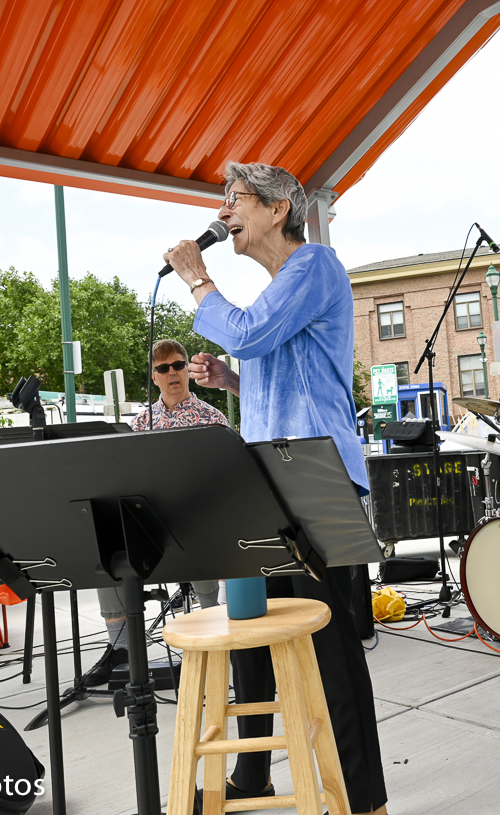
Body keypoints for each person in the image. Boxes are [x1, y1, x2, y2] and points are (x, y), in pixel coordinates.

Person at [164, 162, 388, 815]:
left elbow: (249, 331)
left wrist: (198, 281)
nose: (224, 212)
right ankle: (253, 773)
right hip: (268, 475)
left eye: (233, 199)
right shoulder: (275, 291)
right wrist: (232, 383)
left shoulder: (313, 265)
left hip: (316, 475)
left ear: (277, 206)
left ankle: (365, 800)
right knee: (251, 630)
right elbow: (276, 360)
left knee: (330, 650)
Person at [81, 339, 229, 687]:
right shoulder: (139, 423)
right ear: (154, 376)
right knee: (110, 551)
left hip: (199, 520)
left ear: (187, 370)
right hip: (150, 522)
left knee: (202, 537)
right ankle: (121, 650)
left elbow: (229, 478)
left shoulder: (213, 419)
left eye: (177, 365)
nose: (172, 373)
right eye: (163, 368)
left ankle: (212, 638)